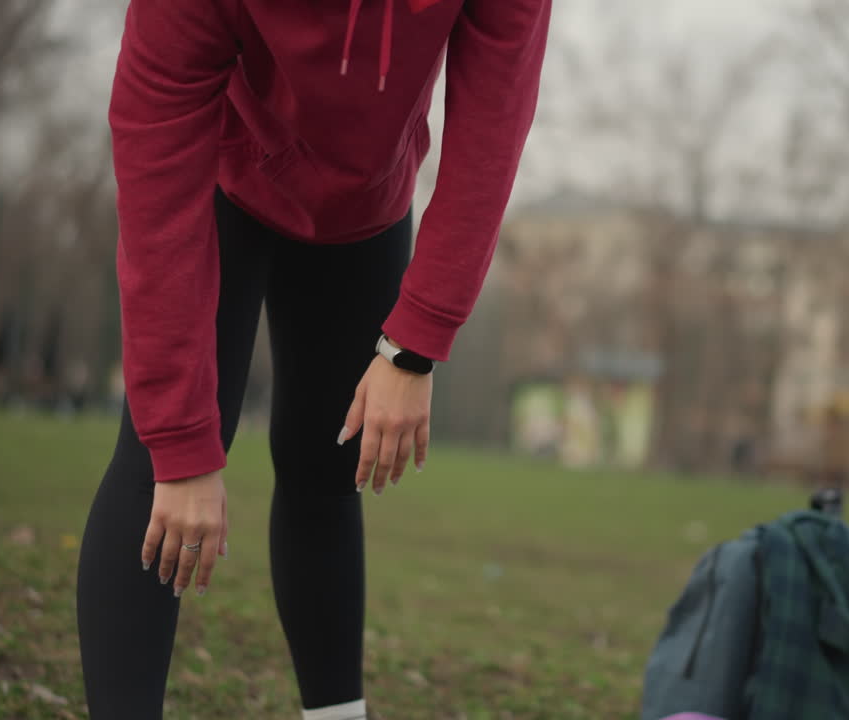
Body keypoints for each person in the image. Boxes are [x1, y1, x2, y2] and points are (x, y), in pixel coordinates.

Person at [75, 1, 551, 719]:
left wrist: (414, 344)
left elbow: (493, 120)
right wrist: (180, 444)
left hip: (369, 203)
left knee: (328, 467)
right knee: (156, 470)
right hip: (225, 172)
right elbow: (155, 159)